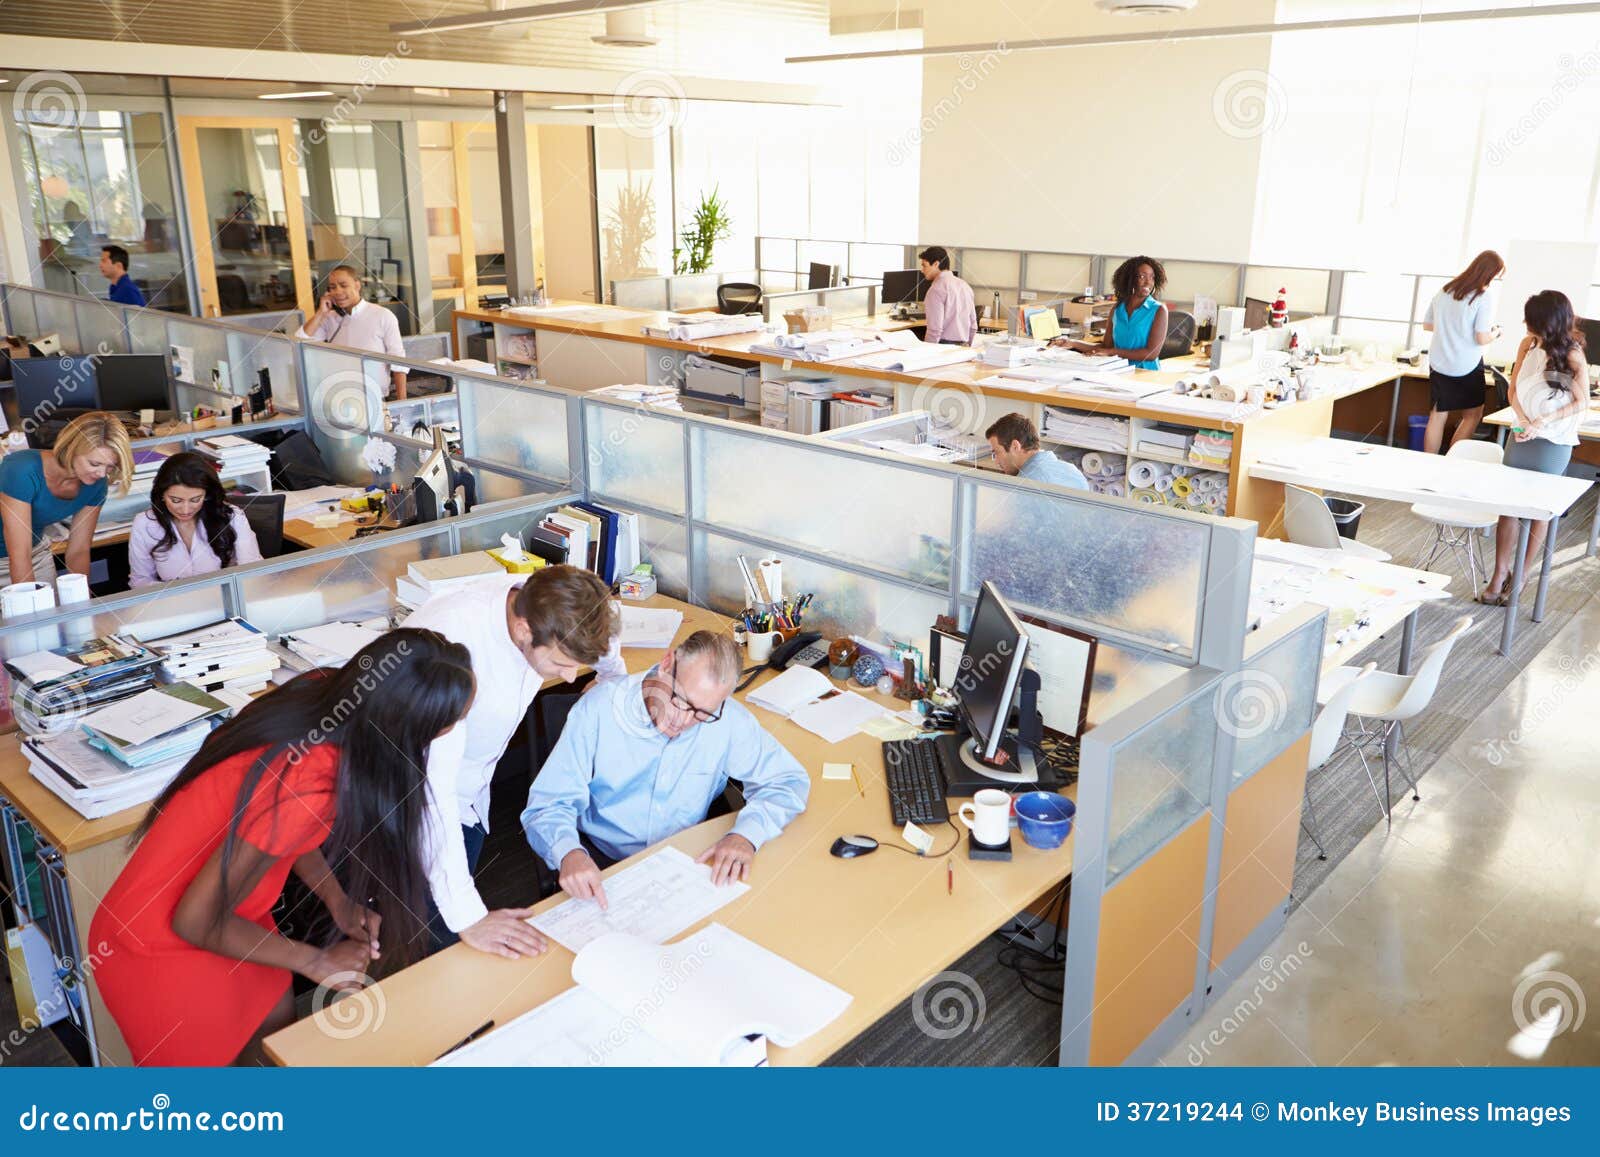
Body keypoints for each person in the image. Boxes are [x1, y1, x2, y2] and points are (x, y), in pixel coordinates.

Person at [88, 630, 476, 1066]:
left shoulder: (327, 695)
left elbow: (281, 833)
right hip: (161, 947)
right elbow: (194, 921)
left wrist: (337, 900)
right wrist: (317, 962)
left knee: (277, 1053)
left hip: (239, 920)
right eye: (447, 725)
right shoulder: (314, 780)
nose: (455, 731)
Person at [404, 563, 624, 956]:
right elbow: (432, 797)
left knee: (457, 931)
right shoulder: (451, 652)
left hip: (472, 790)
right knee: (433, 941)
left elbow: (602, 639)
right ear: (524, 630)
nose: (571, 678)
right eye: (560, 665)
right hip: (412, 800)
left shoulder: (551, 605)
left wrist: (611, 677)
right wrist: (469, 917)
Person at [522, 630, 811, 904]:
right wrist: (569, 853)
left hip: (689, 863)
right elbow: (548, 805)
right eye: (680, 700)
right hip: (606, 864)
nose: (683, 722)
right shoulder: (598, 710)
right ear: (667, 663)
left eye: (702, 713)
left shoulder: (729, 721)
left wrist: (746, 834)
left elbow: (787, 780)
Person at [1480, 291, 1589, 607]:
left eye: (1532, 320)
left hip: (1552, 442)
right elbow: (1513, 389)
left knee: (1537, 510)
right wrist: (1524, 420)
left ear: (1548, 322)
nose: (1527, 325)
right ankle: (1500, 573)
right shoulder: (1528, 344)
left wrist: (1542, 421)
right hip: (1523, 434)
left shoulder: (1572, 355)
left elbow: (1581, 402)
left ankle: (1522, 574)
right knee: (1509, 507)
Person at [0, 411, 132, 587]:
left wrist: (82, 601)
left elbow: (78, 550)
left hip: (35, 555)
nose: (101, 473)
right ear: (71, 448)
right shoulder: (21, 470)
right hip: (18, 556)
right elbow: (18, 554)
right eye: (94, 464)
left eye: (109, 467)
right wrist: (30, 604)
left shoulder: (96, 484)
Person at [128, 451, 262, 588]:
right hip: (172, 603)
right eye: (176, 500)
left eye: (195, 500)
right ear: (161, 495)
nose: (185, 510)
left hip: (226, 599)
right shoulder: (143, 524)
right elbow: (140, 581)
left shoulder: (233, 517)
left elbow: (253, 572)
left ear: (207, 495)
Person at [1422, 250, 1504, 453]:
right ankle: (1452, 461)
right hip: (1466, 363)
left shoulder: (1445, 290)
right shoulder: (1483, 296)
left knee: (1438, 415)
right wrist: (1496, 333)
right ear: (1490, 273)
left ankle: (1426, 462)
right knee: (1473, 415)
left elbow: (1427, 325)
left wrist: (1450, 329)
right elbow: (1481, 337)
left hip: (1440, 361)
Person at [297, 264, 408, 399]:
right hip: (339, 396)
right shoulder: (329, 318)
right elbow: (299, 340)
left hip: (374, 398)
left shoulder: (382, 315)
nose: (337, 291)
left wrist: (402, 403)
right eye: (332, 287)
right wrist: (320, 313)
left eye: (343, 285)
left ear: (357, 285)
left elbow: (399, 362)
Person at [1072, 256, 1169, 369]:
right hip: (1117, 370)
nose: (1148, 282)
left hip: (1145, 373)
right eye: (1142, 276)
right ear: (1130, 279)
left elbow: (1151, 354)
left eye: (1152, 277)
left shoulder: (1159, 310)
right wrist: (1073, 343)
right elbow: (1106, 347)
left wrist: (1111, 352)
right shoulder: (1117, 309)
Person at [986, 412, 1090, 491]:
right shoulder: (1074, 472)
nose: (996, 461)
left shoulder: (1025, 485)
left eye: (997, 452)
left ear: (1015, 446)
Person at [919, 245, 976, 345]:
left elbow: (935, 330)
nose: (922, 270)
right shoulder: (964, 285)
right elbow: (973, 325)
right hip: (963, 345)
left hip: (943, 346)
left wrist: (926, 351)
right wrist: (968, 346)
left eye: (924, 265)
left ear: (936, 264)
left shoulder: (935, 290)